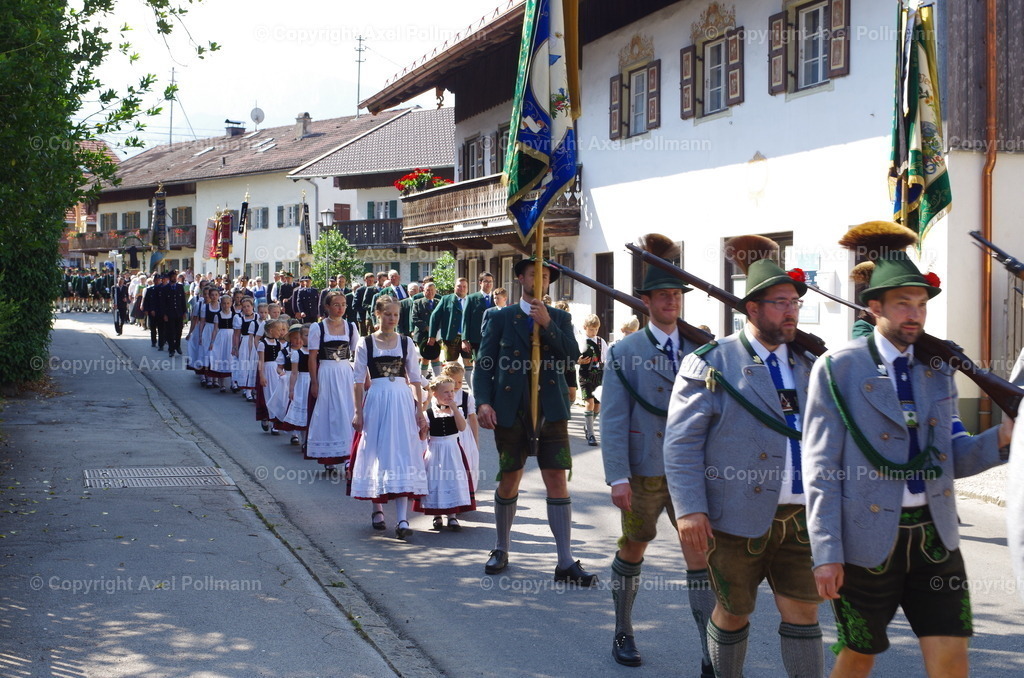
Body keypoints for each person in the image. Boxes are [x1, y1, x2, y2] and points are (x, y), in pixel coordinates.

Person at [803, 221, 1013, 678]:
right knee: (859, 656)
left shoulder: (936, 369)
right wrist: (826, 552)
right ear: (874, 306)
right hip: (865, 541)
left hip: (935, 539)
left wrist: (1002, 437)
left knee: (952, 658)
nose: (914, 314)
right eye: (903, 304)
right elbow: (820, 470)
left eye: (921, 304)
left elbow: (951, 457)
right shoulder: (838, 369)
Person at [664, 235, 823, 678]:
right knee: (734, 612)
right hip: (734, 516)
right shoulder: (712, 362)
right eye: (779, 303)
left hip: (802, 516)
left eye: (794, 302)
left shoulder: (810, 363)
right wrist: (689, 509)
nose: (790, 311)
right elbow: (681, 444)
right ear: (752, 309)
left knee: (803, 613)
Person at [601, 255, 714, 672]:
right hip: (644, 470)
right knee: (634, 546)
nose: (671, 301)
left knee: (700, 555)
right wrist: (618, 476)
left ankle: (711, 648)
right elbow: (613, 418)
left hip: (693, 472)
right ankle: (623, 629)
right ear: (645, 301)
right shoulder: (625, 351)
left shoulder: (703, 348)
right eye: (662, 295)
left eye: (676, 294)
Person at [473, 257, 593, 584]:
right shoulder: (500, 317)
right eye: (533, 274)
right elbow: (483, 364)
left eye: (545, 276)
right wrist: (483, 402)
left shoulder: (560, 318)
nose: (539, 280)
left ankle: (565, 561)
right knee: (510, 476)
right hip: (511, 410)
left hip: (551, 410)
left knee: (557, 479)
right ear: (520, 279)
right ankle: (501, 548)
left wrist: (548, 324)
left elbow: (572, 356)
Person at [349, 297, 429, 540]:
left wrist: (419, 410)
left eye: (395, 314)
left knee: (402, 452)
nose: (392, 318)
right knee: (377, 450)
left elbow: (415, 378)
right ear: (378, 314)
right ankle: (377, 508)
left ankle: (403, 518)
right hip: (377, 400)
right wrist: (358, 411)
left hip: (402, 401)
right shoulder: (366, 342)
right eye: (387, 314)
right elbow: (358, 381)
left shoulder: (406, 342)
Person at [413, 376, 476, 530]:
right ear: (435, 394)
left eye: (452, 391)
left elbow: (462, 428)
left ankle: (452, 516)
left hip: (453, 450)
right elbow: (423, 438)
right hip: (435, 450)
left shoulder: (457, 411)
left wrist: (454, 408)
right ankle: (437, 515)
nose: (450, 395)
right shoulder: (428, 413)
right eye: (446, 392)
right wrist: (423, 430)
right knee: (436, 481)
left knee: (453, 480)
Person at [306, 291, 358, 473]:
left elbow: (358, 355)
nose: (340, 308)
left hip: (345, 372)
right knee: (329, 412)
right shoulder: (318, 328)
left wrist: (364, 378)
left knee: (347, 410)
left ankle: (348, 454)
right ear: (327, 306)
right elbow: (312, 357)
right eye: (336, 304)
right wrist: (314, 382)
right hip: (326, 372)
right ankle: (329, 455)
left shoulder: (351, 327)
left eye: (343, 304)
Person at [441, 361, 480, 493]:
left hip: (463, 436)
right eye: (454, 381)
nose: (457, 385)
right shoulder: (441, 396)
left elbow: (472, 419)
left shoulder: (466, 397)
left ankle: (465, 492)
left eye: (460, 381)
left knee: (466, 461)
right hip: (446, 434)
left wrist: (475, 439)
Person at [460, 271, 496, 389]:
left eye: (490, 282)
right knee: (478, 365)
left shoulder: (496, 297)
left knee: (492, 364)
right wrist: (464, 339)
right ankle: (475, 389)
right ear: (480, 283)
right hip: (477, 338)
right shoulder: (472, 298)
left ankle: (489, 387)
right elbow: (466, 319)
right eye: (486, 281)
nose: (488, 284)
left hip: (493, 338)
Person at [279, 324, 312, 445]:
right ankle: (303, 439)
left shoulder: (317, 352)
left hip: (314, 382)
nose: (309, 338)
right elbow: (294, 373)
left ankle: (310, 439)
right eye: (306, 335)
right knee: (303, 410)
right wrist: (291, 389)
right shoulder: (298, 353)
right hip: (302, 383)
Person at [578, 314, 607, 446]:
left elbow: (606, 359)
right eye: (591, 329)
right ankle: (591, 434)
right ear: (585, 327)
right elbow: (574, 356)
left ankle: (587, 425)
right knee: (589, 402)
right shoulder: (581, 341)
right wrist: (578, 360)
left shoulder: (601, 342)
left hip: (599, 374)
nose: (593, 332)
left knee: (597, 406)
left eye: (596, 329)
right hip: (585, 374)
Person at [428, 277, 471, 365]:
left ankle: (468, 375)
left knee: (468, 362)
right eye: (459, 286)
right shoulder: (446, 299)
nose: (462, 289)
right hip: (450, 337)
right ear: (454, 287)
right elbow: (434, 317)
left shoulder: (472, 300)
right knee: (451, 365)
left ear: (467, 288)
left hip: (467, 337)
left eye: (464, 286)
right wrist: (432, 335)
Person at [255, 319, 287, 433]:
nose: (281, 332)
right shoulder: (262, 344)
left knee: (276, 395)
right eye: (278, 330)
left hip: (276, 371)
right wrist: (262, 376)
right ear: (271, 330)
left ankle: (275, 423)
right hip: (267, 370)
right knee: (268, 395)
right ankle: (266, 417)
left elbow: (281, 360)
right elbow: (261, 361)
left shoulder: (279, 344)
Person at [206, 294, 238, 392]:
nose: (226, 305)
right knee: (222, 358)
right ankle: (222, 384)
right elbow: (215, 329)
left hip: (231, 337)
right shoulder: (218, 315)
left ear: (231, 303)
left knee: (231, 359)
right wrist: (212, 342)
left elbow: (237, 330)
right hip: (221, 338)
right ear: (221, 304)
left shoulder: (235, 315)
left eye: (228, 303)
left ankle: (233, 383)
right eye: (224, 303)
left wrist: (237, 343)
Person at [231, 297, 259, 401]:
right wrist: (235, 347)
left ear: (252, 306)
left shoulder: (257, 317)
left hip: (256, 343)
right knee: (245, 365)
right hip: (245, 344)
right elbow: (237, 335)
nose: (246, 308)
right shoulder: (239, 318)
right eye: (244, 307)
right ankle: (247, 390)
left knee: (254, 366)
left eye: (248, 306)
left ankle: (253, 388)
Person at [412, 282, 441, 378]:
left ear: (435, 291)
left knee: (436, 356)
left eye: (432, 290)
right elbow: (414, 318)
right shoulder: (417, 302)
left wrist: (435, 329)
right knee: (425, 357)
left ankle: (438, 379)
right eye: (428, 290)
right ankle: (422, 380)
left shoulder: (439, 302)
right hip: (422, 334)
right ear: (423, 291)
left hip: (436, 334)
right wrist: (426, 327)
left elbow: (443, 317)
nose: (430, 292)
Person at [163, 270, 188, 357]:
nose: (174, 278)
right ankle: (171, 349)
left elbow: (183, 300)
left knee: (179, 330)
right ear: (169, 278)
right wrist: (164, 314)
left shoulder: (180, 287)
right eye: (172, 277)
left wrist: (184, 312)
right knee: (170, 331)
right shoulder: (165, 288)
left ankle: (178, 346)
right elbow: (163, 303)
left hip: (179, 313)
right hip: (169, 313)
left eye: (175, 277)